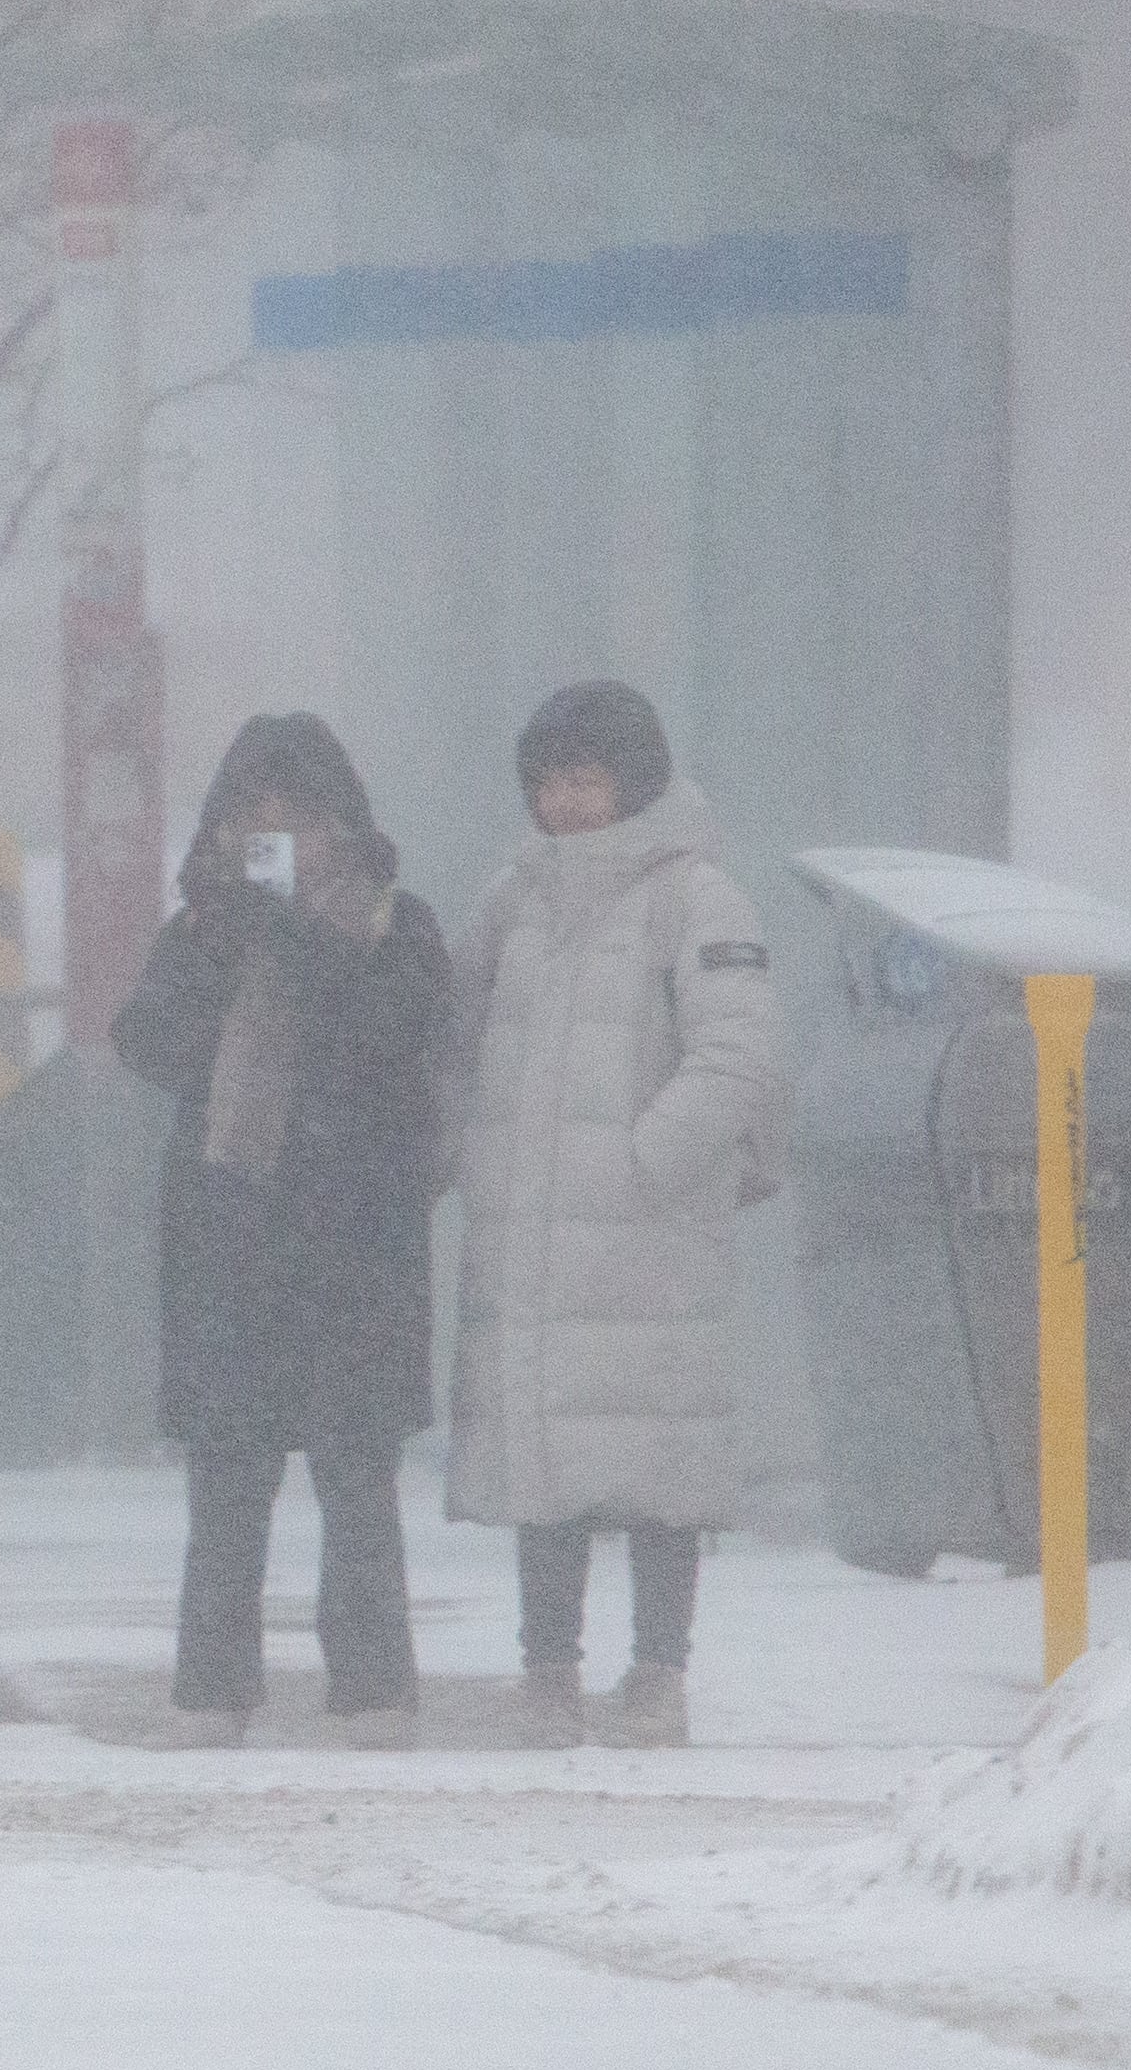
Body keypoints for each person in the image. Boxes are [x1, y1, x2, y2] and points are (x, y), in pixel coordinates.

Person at [446, 680, 790, 1750]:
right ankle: (545, 1670)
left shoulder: (696, 897)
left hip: (645, 1238)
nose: (565, 801)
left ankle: (655, 1672)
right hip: (530, 1234)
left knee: (653, 1470)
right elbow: (453, 1038)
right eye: (547, 780)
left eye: (585, 778)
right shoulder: (514, 899)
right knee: (540, 1461)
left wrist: (646, 1161)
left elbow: (738, 1051)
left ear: (631, 781)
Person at [112, 714, 456, 1749]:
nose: (272, 838)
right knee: (225, 1477)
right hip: (230, 1240)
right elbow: (149, 1043)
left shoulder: (396, 924)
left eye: (296, 817)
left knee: (356, 1478)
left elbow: (389, 1036)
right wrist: (228, 946)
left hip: (356, 1241)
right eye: (248, 817)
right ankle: (211, 1690)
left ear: (341, 825)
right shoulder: (198, 930)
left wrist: (294, 942)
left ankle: (372, 1691)